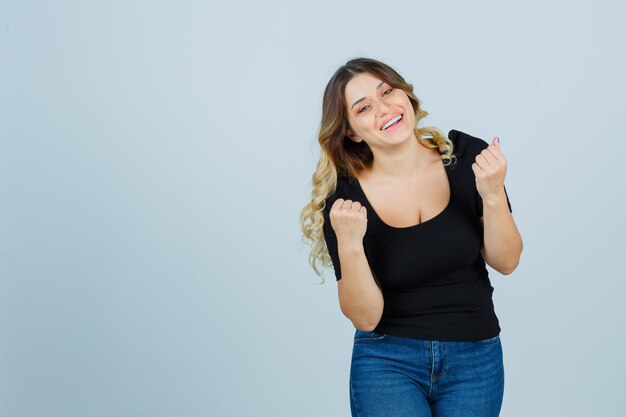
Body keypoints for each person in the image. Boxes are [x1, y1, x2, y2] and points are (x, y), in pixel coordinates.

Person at [299, 57, 523, 417]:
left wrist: (493, 194)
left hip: (475, 358)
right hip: (388, 362)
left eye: (387, 91)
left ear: (405, 94)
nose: (384, 108)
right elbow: (366, 318)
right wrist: (351, 243)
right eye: (364, 108)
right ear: (352, 132)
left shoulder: (467, 158)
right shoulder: (345, 201)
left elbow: (506, 261)